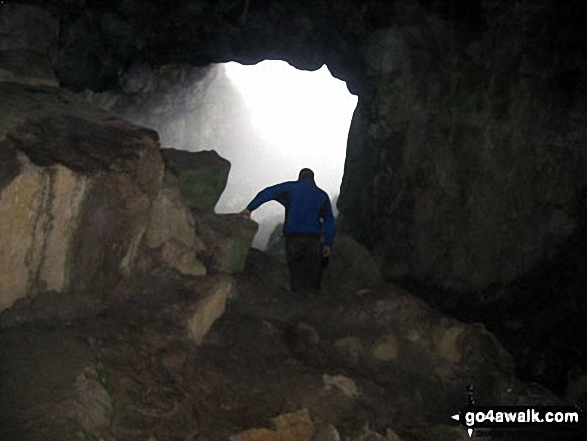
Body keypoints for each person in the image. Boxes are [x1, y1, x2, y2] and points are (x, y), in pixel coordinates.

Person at [241, 168, 336, 294]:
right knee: (312, 270)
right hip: (313, 238)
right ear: (313, 179)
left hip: (293, 237)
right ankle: (312, 300)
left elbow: (269, 192)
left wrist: (250, 208)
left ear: (299, 177)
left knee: (295, 269)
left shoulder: (290, 188)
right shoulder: (322, 195)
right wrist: (328, 243)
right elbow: (329, 221)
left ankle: (296, 298)